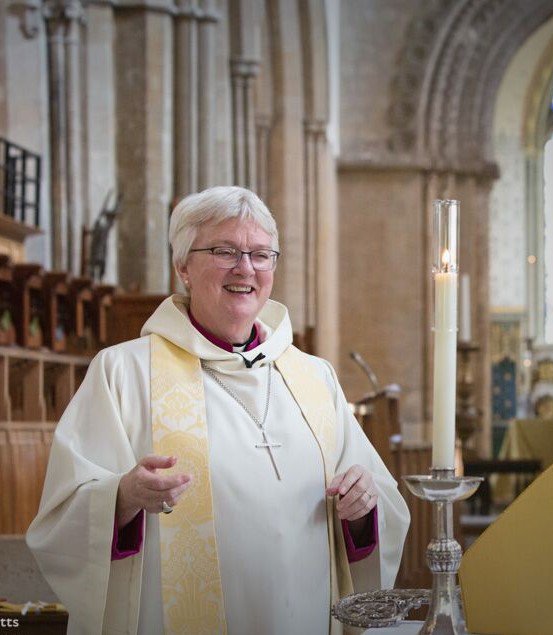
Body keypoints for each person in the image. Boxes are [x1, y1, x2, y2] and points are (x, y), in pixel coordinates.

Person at [27, 186, 410, 634]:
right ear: (182, 266)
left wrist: (364, 508)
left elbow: (376, 502)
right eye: (225, 250)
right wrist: (124, 497)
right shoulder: (123, 372)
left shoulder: (314, 376)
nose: (245, 268)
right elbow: (64, 515)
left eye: (261, 254)